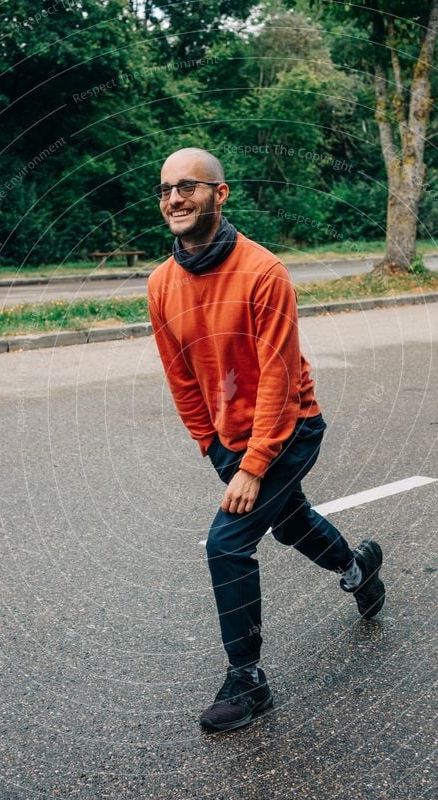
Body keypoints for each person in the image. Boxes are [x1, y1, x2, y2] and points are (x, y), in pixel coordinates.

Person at [147, 147, 385, 732]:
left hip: (290, 429)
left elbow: (278, 376)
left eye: (189, 187)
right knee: (288, 520)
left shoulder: (262, 272)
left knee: (227, 543)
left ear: (219, 194)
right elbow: (181, 377)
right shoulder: (160, 284)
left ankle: (248, 681)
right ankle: (359, 570)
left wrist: (253, 465)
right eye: (165, 189)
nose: (175, 198)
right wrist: (213, 447)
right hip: (233, 439)